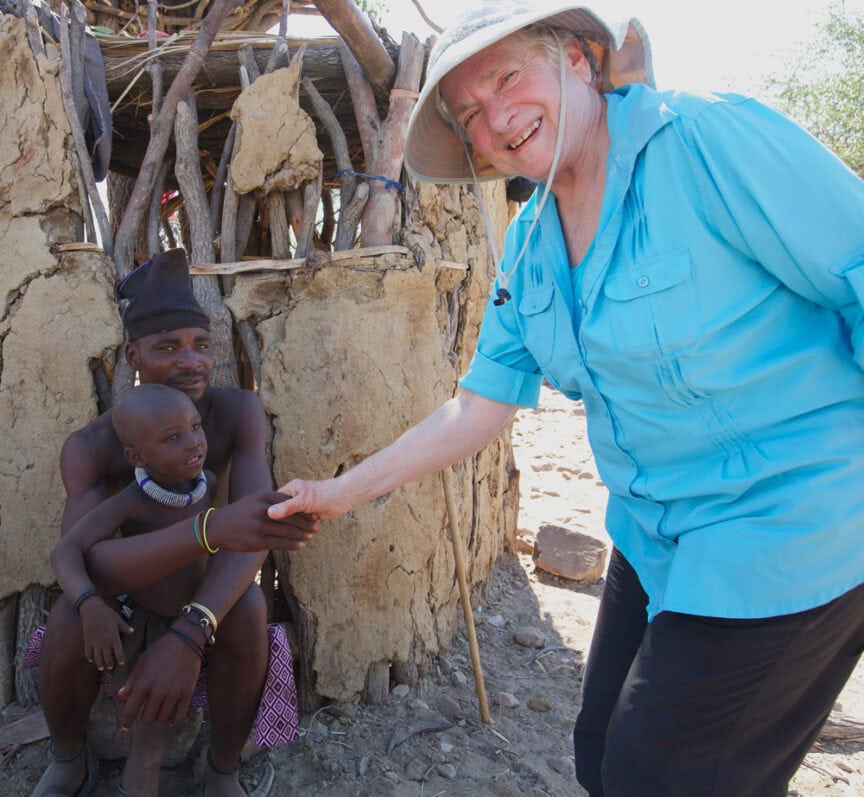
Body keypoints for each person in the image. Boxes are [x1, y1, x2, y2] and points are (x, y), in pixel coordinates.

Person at [267, 1, 864, 795]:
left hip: (793, 522)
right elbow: (478, 404)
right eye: (472, 112)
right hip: (657, 532)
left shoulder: (706, 142)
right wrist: (339, 493)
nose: (499, 118)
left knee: (660, 773)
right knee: (599, 750)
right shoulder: (531, 243)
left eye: (510, 78)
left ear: (578, 59)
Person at [33, 249, 317, 797]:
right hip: (126, 597)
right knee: (71, 615)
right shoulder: (93, 447)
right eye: (168, 347)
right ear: (133, 353)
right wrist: (207, 531)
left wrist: (192, 627)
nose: (191, 362)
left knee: (250, 607)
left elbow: (253, 532)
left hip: (209, 593)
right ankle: (69, 758)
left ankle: (222, 770)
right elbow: (87, 561)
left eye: (201, 345)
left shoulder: (237, 413)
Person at [50, 383, 218, 795]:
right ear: (136, 457)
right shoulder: (133, 500)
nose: (193, 442)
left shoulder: (210, 484)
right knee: (148, 705)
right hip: (141, 624)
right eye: (172, 438)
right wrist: (89, 603)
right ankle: (117, 773)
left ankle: (145, 774)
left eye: (195, 427)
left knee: (154, 732)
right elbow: (66, 550)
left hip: (196, 620)